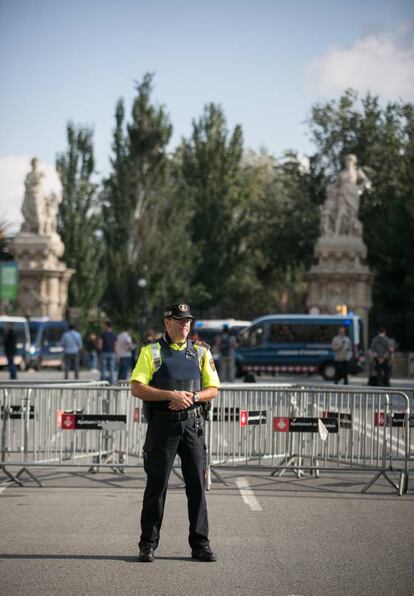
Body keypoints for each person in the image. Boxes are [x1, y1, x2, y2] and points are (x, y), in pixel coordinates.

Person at [130, 303, 220, 563]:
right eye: (179, 321)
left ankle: (200, 544)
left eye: (188, 321)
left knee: (197, 488)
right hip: (162, 427)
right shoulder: (152, 351)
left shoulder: (201, 352)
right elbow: (137, 387)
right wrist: (171, 395)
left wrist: (191, 397)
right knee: (156, 487)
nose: (185, 325)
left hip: (192, 426)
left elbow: (213, 388)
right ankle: (148, 544)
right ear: (167, 322)